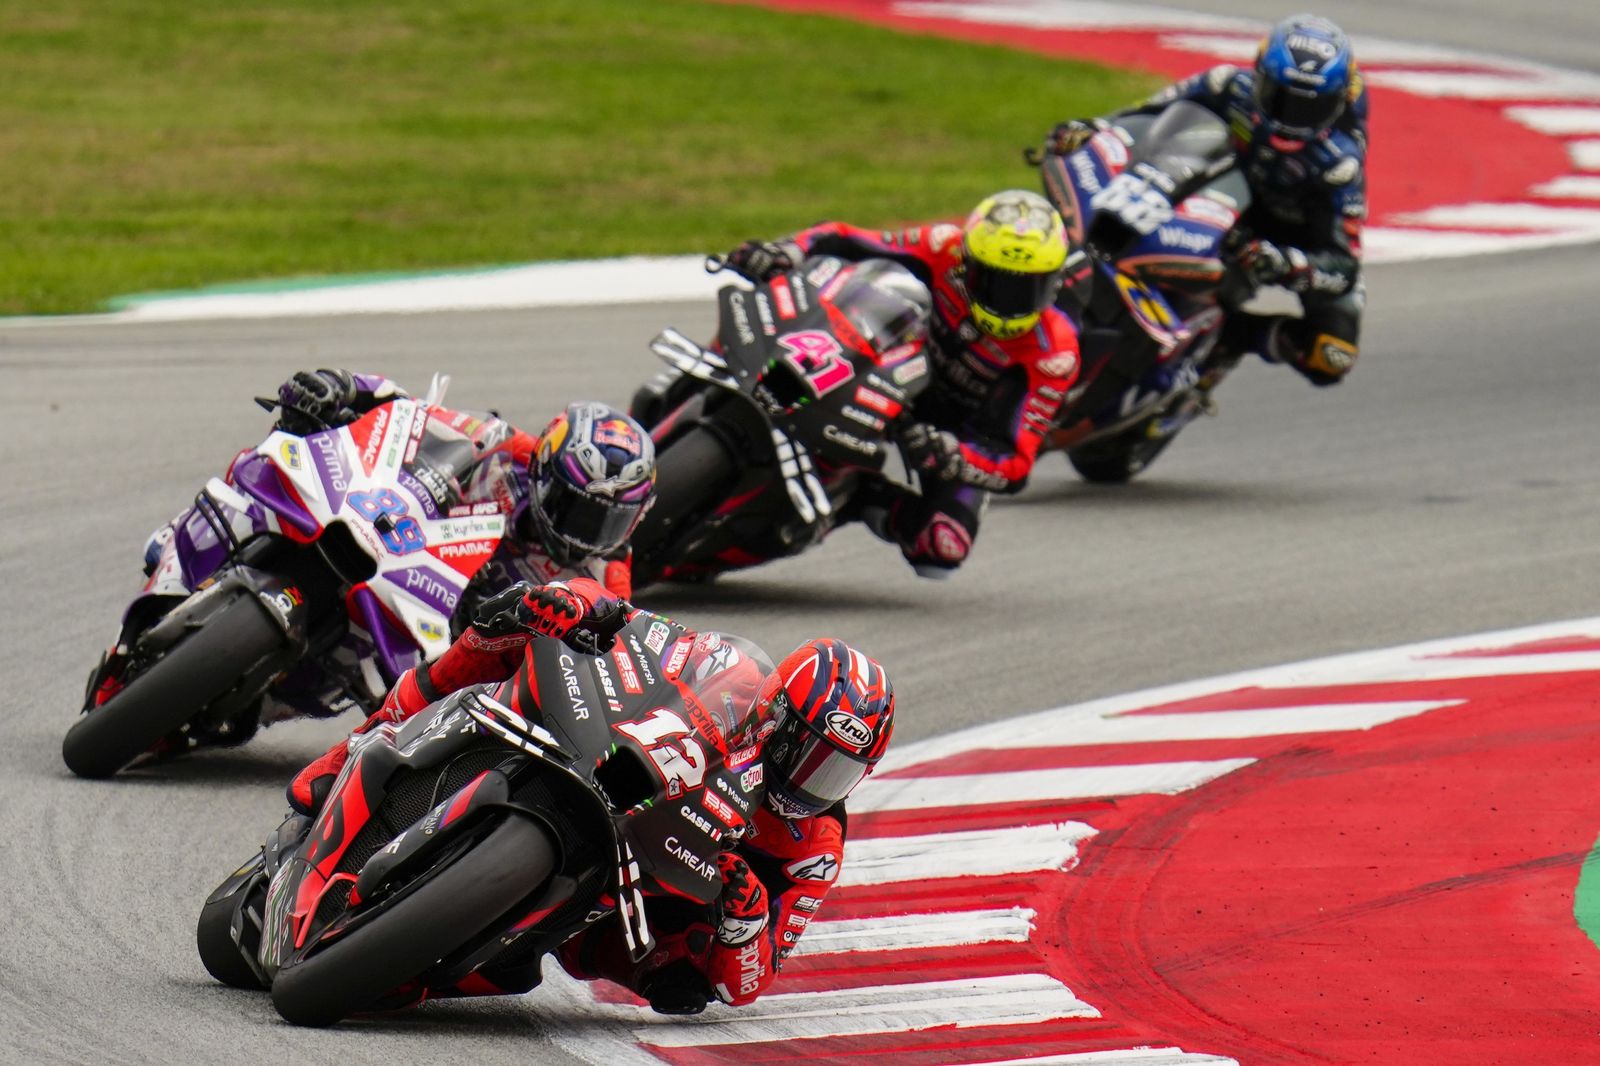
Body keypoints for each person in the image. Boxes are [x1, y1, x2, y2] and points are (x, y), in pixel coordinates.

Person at [287, 577, 895, 1013]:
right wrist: (579, 606)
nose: (809, 780)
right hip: (617, 764)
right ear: (778, 714)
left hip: (655, 883)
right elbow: (648, 631)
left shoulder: (815, 846)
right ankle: (362, 741)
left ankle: (471, 943)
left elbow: (749, 984)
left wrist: (747, 919)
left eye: (835, 772)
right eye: (805, 752)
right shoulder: (737, 679)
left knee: (687, 980)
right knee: (513, 619)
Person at [722, 189, 1081, 577]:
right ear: (967, 260)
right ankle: (726, 368)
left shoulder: (1054, 354)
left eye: (1028, 288)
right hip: (886, 364)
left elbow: (1015, 464)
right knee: (801, 296)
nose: (1008, 300)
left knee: (942, 544)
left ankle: (855, 494)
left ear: (1054, 283)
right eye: (994, 281)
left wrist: (954, 455)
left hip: (947, 432)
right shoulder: (943, 246)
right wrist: (787, 251)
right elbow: (844, 238)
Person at [1048, 13, 1367, 387]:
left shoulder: (1339, 163)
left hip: (1288, 236)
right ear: (1259, 76)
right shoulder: (1228, 85)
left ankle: (1229, 341)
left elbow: (1343, 265)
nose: (1289, 120)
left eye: (1308, 109)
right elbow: (1147, 112)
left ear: (1337, 104)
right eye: (1279, 99)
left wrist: (1290, 264)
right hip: (1221, 194)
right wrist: (1094, 130)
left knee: (1332, 354)